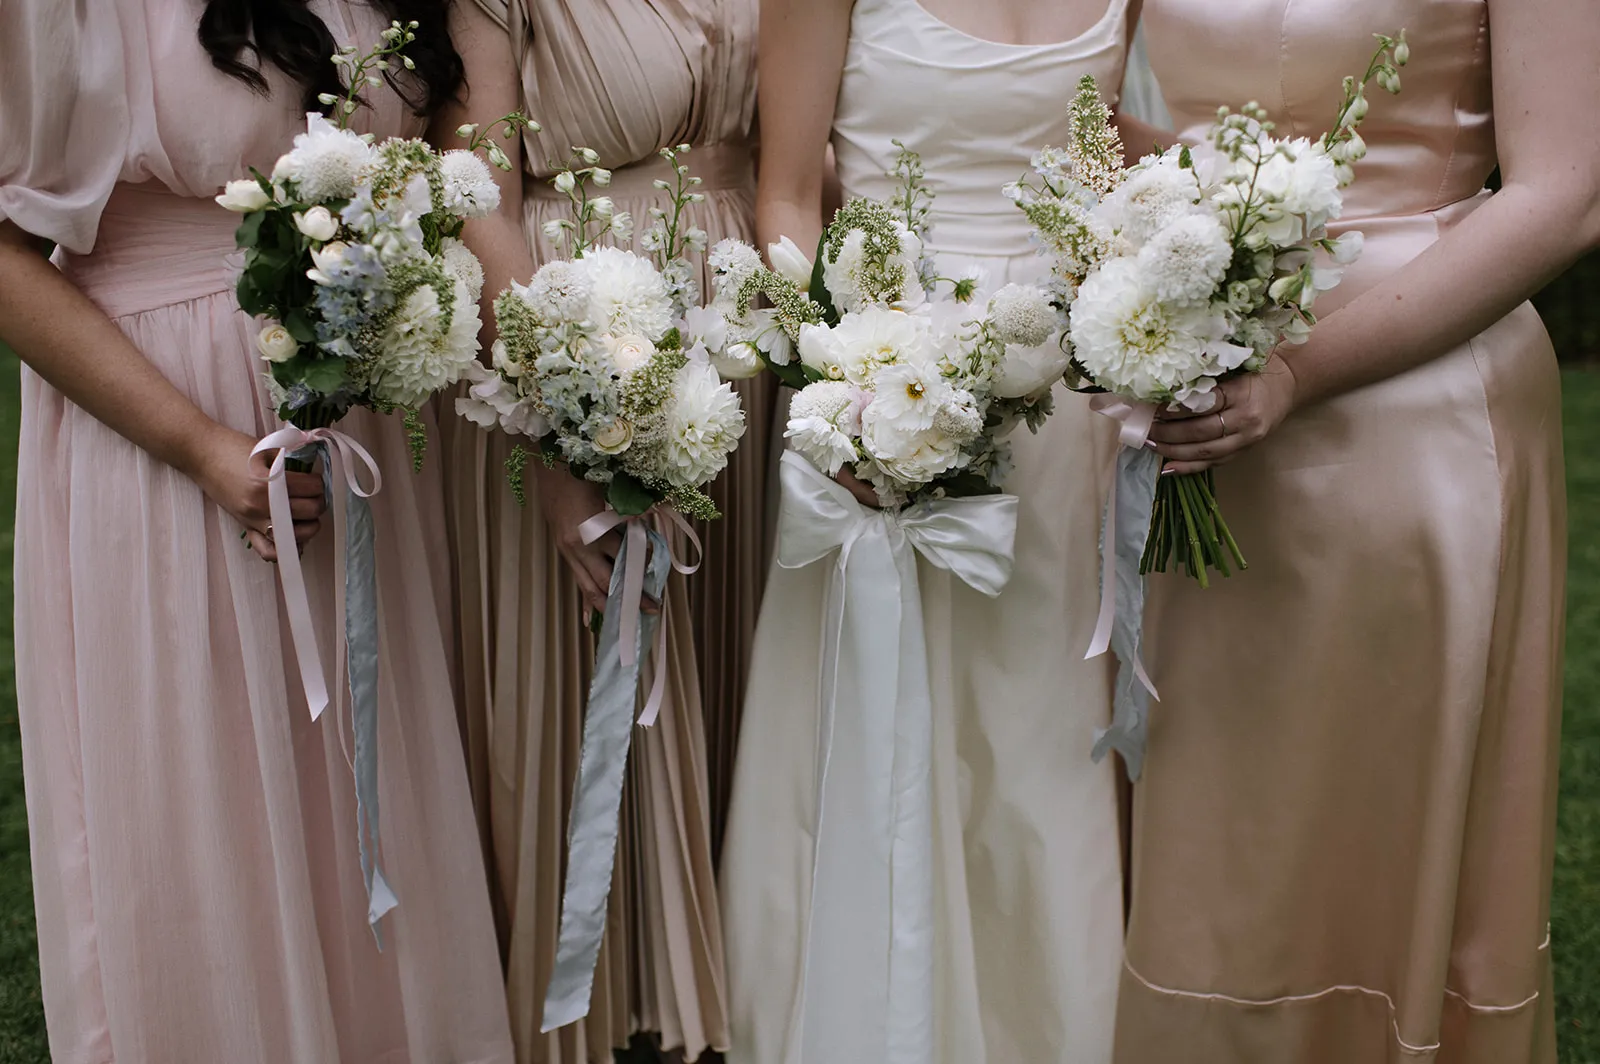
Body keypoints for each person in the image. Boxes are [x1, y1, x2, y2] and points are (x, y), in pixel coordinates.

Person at [0, 1, 528, 1059]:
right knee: (213, 808)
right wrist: (201, 446)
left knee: (365, 791)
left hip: (357, 407)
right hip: (171, 426)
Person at [1118, 1, 1598, 1059]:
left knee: (1376, 816)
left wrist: (1297, 371)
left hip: (1420, 403)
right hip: (1185, 369)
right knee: (1203, 814)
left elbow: (1565, 196)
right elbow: (1096, 109)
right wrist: (1142, 271)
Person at [719, 0, 1139, 1059]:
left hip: (1071, 405)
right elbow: (784, 187)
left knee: (1044, 734)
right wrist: (846, 381)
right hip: (885, 391)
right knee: (894, 715)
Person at [442, 1, 764, 1059]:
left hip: (742, 347)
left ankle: (739, 988)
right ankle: (610, 1010)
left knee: (746, 680)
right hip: (578, 333)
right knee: (605, 701)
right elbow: (476, 194)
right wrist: (558, 426)